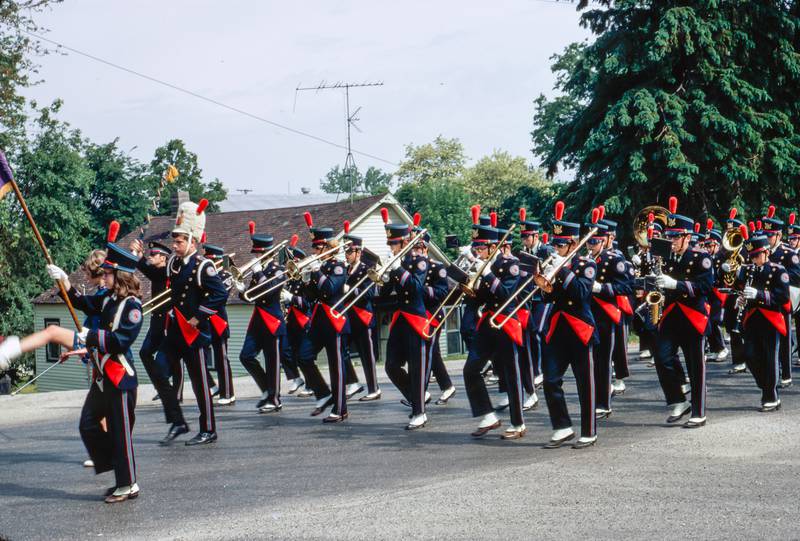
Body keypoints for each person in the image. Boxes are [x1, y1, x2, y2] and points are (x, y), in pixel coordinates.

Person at [0, 224, 144, 503]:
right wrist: (64, 281)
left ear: (120, 276)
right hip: (105, 376)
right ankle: (117, 464)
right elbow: (83, 304)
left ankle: (128, 485)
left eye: (109, 273)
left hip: (119, 376)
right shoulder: (107, 299)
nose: (105, 276)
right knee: (88, 424)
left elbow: (120, 342)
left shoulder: (132, 307)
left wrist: (93, 336)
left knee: (120, 432)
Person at [137, 199, 228, 446]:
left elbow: (221, 294)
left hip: (195, 333)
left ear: (192, 242)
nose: (174, 245)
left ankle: (208, 429)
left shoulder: (203, 266)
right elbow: (155, 274)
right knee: (159, 371)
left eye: (179, 241)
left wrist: (199, 316)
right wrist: (137, 259)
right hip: (176, 332)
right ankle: (178, 421)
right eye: (174, 241)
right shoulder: (174, 263)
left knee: (200, 385)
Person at [541, 202, 599, 449]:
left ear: (574, 244)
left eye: (561, 244)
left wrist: (562, 271)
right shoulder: (555, 265)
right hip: (558, 328)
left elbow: (582, 293)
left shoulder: (587, 265)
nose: (556, 248)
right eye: (555, 244)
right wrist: (546, 284)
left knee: (585, 382)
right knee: (550, 379)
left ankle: (589, 431)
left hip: (580, 328)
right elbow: (548, 298)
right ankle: (563, 427)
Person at [652, 197, 713, 428]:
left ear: (687, 237)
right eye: (669, 236)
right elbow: (660, 282)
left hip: (693, 316)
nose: (671, 240)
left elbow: (705, 287)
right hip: (671, 315)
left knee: (696, 365)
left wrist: (675, 284)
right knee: (662, 357)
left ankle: (698, 411)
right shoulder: (665, 256)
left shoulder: (701, 257)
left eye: (675, 236)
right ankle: (678, 400)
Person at [380, 208, 434, 430]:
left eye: (394, 244)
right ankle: (416, 397)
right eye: (390, 244)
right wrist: (383, 278)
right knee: (391, 366)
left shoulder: (419, 262)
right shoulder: (395, 263)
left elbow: (416, 288)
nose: (391, 248)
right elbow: (385, 295)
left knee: (417, 367)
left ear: (403, 243)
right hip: (399, 318)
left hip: (415, 318)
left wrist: (397, 269)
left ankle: (419, 412)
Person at [301, 212, 351, 423]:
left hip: (335, 320)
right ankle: (323, 393)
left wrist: (317, 272)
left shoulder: (338, 266)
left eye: (316, 247)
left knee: (336, 365)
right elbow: (311, 296)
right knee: (303, 356)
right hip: (319, 320)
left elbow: (330, 289)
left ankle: (340, 409)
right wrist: (306, 280)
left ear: (327, 248)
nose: (313, 251)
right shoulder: (318, 268)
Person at [235, 223, 287, 413]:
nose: (255, 257)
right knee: (246, 356)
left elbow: (270, 292)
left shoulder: (278, 270)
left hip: (272, 321)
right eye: (255, 253)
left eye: (258, 253)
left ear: (267, 253)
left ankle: (275, 399)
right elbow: (253, 295)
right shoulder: (260, 270)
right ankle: (267, 389)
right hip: (258, 320)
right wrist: (241, 290)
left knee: (272, 361)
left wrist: (258, 272)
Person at [735, 230, 789, 411]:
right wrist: (741, 298)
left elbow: (782, 297)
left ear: (766, 252)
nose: (753, 260)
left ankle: (771, 396)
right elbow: (739, 288)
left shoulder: (778, 270)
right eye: (751, 256)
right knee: (749, 355)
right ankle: (766, 386)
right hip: (752, 319)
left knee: (770, 358)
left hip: (770, 319)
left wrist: (760, 294)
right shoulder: (749, 270)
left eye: (756, 255)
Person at [340, 220, 382, 401]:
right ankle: (353, 382)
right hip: (348, 316)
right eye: (346, 251)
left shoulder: (367, 269)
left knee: (367, 354)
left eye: (349, 251)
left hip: (363, 316)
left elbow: (372, 292)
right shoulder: (344, 269)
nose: (346, 255)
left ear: (358, 251)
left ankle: (374, 388)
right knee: (341, 349)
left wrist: (352, 290)